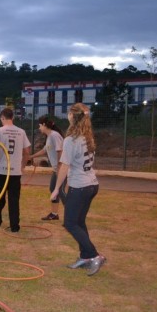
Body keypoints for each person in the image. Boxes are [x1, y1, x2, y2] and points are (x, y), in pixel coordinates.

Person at [51, 103, 105, 276]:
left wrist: (56, 188)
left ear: (72, 116)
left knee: (70, 223)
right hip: (91, 185)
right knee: (79, 222)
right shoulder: (87, 137)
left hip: (80, 187)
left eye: (69, 113)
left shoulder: (71, 140)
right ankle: (85, 256)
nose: (67, 115)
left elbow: (64, 166)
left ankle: (94, 255)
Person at [0, 108, 31, 232]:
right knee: (14, 199)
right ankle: (14, 226)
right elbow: (27, 151)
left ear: (2, 118)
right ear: (13, 117)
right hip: (15, 172)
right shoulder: (21, 132)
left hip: (2, 170)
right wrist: (22, 166)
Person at [29, 115, 64, 221]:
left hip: (62, 169)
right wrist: (31, 156)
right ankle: (54, 214)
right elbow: (45, 150)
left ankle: (71, 216)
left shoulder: (54, 135)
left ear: (44, 125)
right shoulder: (49, 136)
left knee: (60, 191)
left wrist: (59, 167)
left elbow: (60, 151)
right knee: (53, 189)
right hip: (57, 169)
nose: (39, 128)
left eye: (40, 125)